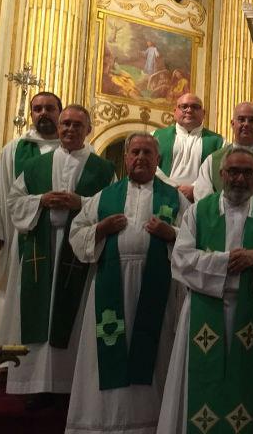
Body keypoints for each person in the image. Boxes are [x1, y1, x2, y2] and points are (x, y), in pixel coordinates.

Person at [158, 148, 253, 434]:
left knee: (245, 389)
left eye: (247, 173)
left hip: (251, 312)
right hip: (204, 308)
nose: (239, 179)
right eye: (233, 172)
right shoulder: (198, 212)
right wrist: (225, 262)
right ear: (221, 175)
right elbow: (181, 260)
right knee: (199, 385)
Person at [66, 133, 189, 434]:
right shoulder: (104, 197)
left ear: (158, 160)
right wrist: (101, 228)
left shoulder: (176, 198)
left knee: (155, 352)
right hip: (111, 285)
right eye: (135, 152)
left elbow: (194, 240)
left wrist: (171, 234)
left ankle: (150, 424)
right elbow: (76, 234)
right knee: (106, 352)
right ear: (125, 158)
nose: (141, 158)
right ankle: (102, 423)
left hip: (156, 287)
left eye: (148, 153)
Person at [7, 105, 115, 402]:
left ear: (88, 130)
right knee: (38, 313)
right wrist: (41, 200)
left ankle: (68, 388)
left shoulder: (103, 169)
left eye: (77, 125)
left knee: (74, 316)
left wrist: (81, 203)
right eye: (66, 123)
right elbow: (14, 202)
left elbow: (110, 206)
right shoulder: (36, 166)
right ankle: (35, 385)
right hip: (41, 248)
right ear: (59, 127)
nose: (70, 129)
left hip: (78, 251)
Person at [0, 92, 63, 350]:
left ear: (60, 112)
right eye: (37, 109)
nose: (43, 113)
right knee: (15, 296)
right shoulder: (15, 149)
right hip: (19, 238)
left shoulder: (72, 149)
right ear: (31, 114)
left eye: (49, 108)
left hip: (61, 240)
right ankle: (9, 356)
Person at [193, 102, 253, 219]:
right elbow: (202, 196)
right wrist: (228, 210)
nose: (246, 124)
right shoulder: (212, 160)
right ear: (232, 124)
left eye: (251, 120)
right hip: (221, 223)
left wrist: (251, 208)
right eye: (241, 119)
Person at [153, 93, 224, 201]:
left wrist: (196, 190)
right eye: (184, 106)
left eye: (195, 107)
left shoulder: (219, 142)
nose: (189, 110)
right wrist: (172, 188)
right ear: (175, 112)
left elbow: (219, 172)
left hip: (200, 201)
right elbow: (150, 166)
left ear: (203, 113)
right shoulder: (154, 137)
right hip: (163, 197)